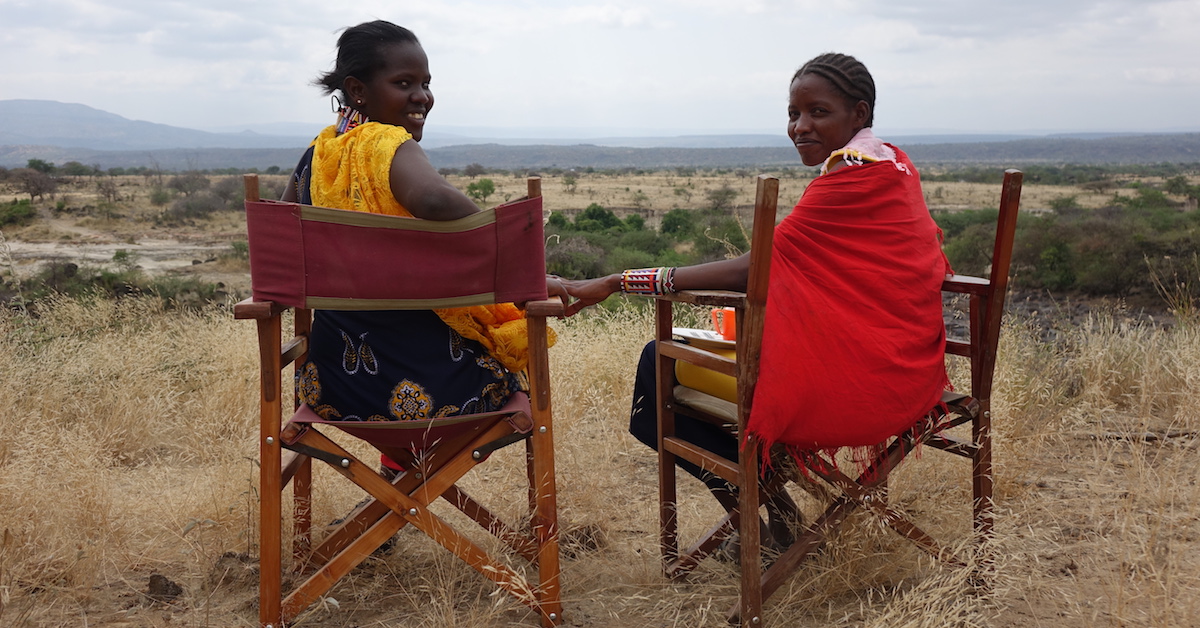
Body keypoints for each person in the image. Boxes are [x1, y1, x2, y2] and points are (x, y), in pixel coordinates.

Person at [556, 53, 951, 552]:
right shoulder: (891, 167)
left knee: (659, 365)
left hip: (862, 382)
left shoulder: (853, 180)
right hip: (901, 368)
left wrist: (618, 281)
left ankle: (765, 520)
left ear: (859, 113)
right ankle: (773, 513)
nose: (800, 127)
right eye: (793, 114)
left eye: (817, 113)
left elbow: (752, 270)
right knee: (680, 359)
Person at [283, 20, 558, 479]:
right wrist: (511, 257)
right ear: (357, 91)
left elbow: (286, 236)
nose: (422, 96)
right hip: (435, 386)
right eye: (404, 83)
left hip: (331, 385)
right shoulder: (387, 142)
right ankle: (408, 485)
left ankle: (398, 485)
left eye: (426, 84)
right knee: (508, 376)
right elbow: (432, 199)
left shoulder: (318, 155)